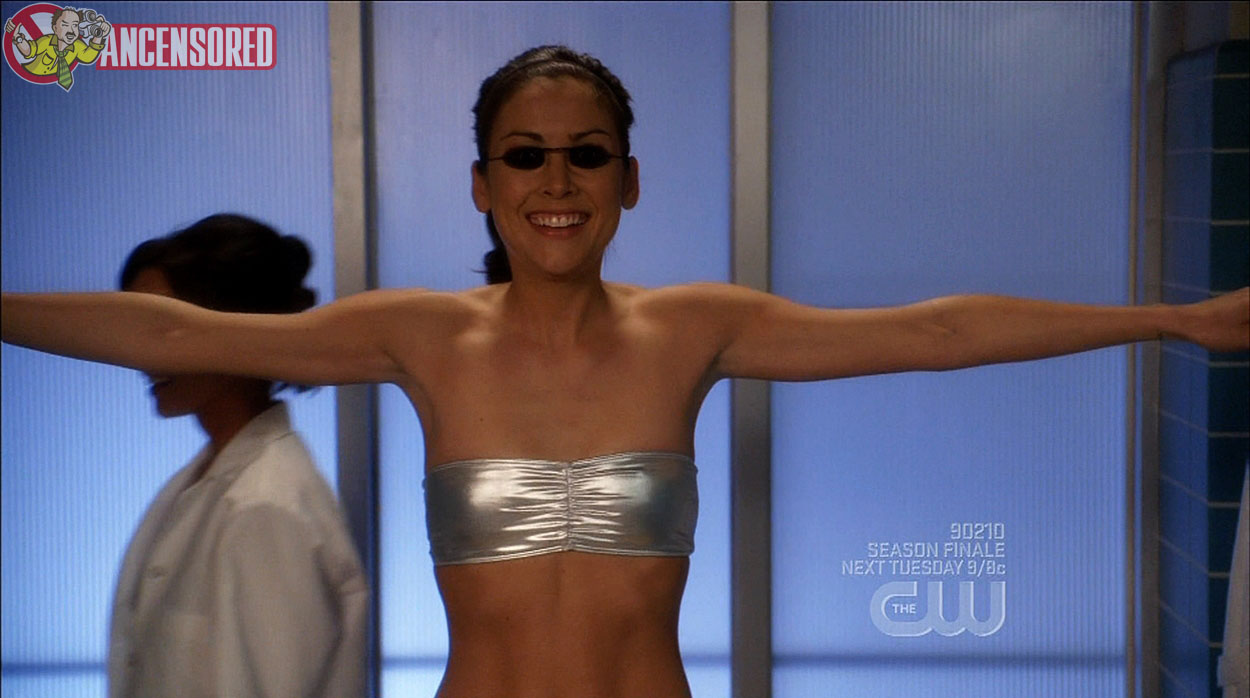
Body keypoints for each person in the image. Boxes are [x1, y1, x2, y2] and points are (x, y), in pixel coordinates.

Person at [2, 46, 1247, 697]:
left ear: (628, 179)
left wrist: (1173, 319)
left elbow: (933, 332)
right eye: (524, 155)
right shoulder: (421, 335)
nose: (556, 181)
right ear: (481, 183)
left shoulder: (692, 328)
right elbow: (173, 334)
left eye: (586, 154)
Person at [105, 214, 367, 698]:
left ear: (234, 326)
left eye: (161, 329)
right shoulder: (206, 480)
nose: (140, 355)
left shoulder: (266, 506)